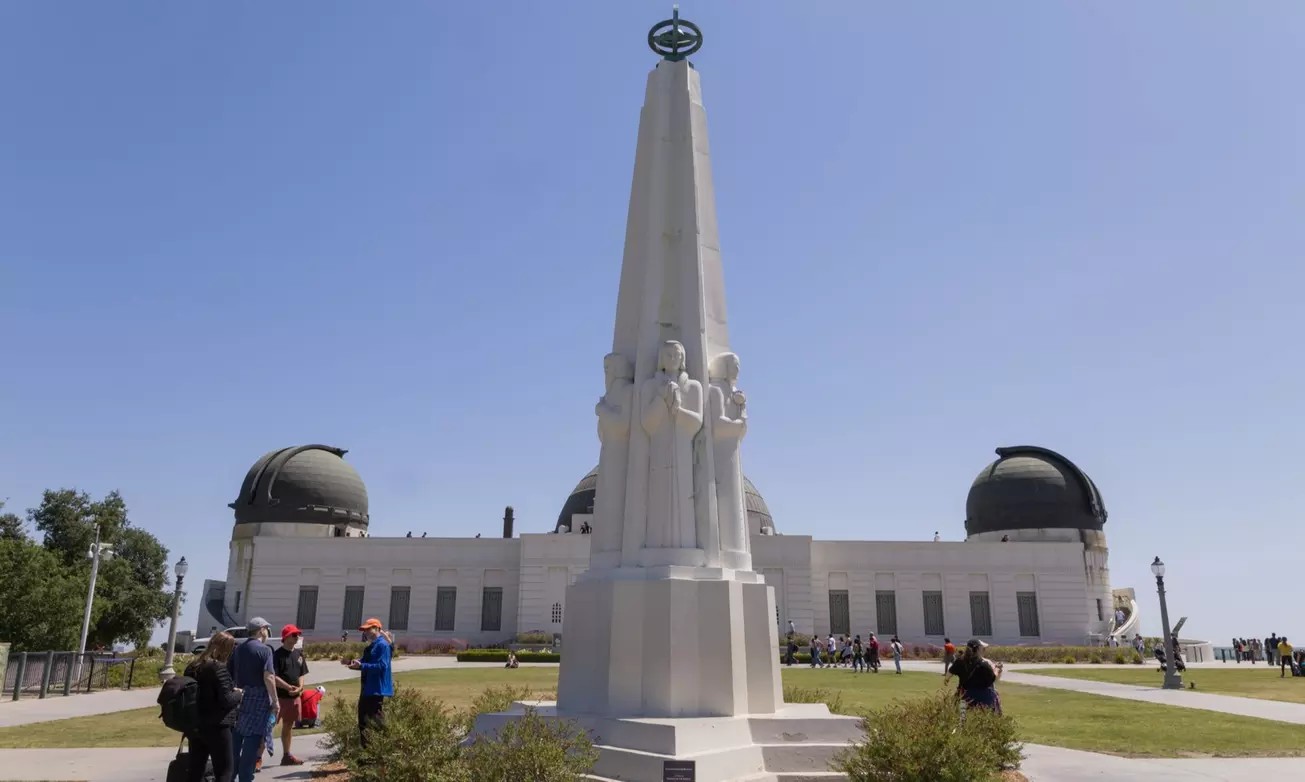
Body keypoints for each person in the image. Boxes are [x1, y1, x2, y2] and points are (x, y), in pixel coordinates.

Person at [183, 632, 243, 782]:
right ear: (226, 649)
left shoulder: (192, 667)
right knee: (224, 771)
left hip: (196, 725)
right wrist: (239, 694)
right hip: (218, 726)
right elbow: (227, 700)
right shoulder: (218, 668)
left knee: (195, 770)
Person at [228, 618, 279, 782]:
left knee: (236, 741)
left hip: (239, 698)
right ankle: (245, 777)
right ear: (261, 630)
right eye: (266, 629)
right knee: (252, 742)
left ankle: (230, 776)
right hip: (258, 700)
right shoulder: (265, 650)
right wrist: (275, 701)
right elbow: (269, 677)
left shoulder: (238, 649)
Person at [347, 618, 394, 747]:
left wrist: (362, 666)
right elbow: (366, 661)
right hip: (368, 687)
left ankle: (382, 751)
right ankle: (367, 754)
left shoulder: (382, 645)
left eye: (369, 629)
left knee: (376, 722)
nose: (366, 632)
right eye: (364, 630)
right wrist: (354, 663)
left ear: (378, 629)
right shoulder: (373, 646)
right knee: (363, 722)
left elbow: (382, 666)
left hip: (376, 689)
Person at [272, 624, 309, 766]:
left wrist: (300, 688)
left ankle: (286, 755)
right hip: (278, 698)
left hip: (294, 698)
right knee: (268, 726)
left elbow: (302, 673)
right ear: (286, 637)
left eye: (297, 635)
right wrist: (288, 687)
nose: (297, 637)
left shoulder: (299, 654)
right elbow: (273, 677)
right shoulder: (277, 655)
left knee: (288, 726)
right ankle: (257, 757)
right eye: (294, 635)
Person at [948, 639, 1003, 713]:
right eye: (983, 649)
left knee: (962, 719)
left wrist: (947, 680)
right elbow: (994, 679)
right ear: (978, 649)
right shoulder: (985, 664)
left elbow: (948, 675)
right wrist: (997, 670)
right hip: (984, 697)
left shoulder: (960, 662)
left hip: (964, 696)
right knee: (986, 718)